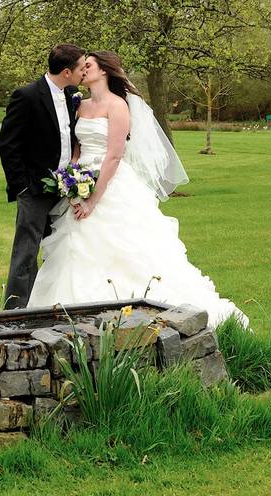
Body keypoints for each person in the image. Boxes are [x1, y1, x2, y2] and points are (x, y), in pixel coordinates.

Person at [26, 51, 248, 329]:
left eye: (89, 65)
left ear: (104, 71)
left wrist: (93, 199)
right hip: (80, 184)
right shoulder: (80, 105)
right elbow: (77, 149)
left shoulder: (118, 106)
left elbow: (114, 156)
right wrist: (69, 182)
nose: (83, 70)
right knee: (75, 249)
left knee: (126, 251)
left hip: (110, 186)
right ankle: (68, 320)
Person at [0, 44, 86, 309]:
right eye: (82, 67)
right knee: (25, 252)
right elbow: (8, 145)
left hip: (65, 189)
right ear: (68, 71)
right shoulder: (26, 96)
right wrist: (22, 187)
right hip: (34, 190)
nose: (85, 71)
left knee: (59, 248)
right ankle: (14, 311)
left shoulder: (73, 95)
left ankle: (44, 303)